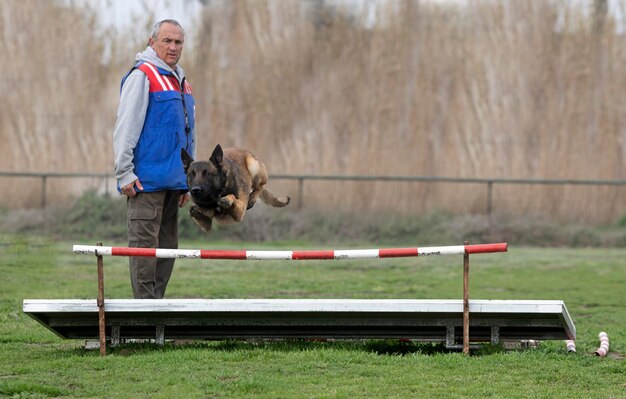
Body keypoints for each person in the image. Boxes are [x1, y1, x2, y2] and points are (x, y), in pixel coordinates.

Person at [113, 19, 196, 299]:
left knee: (167, 249)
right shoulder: (143, 75)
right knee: (144, 250)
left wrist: (188, 180)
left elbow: (186, 134)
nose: (173, 47)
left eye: (178, 42)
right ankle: (144, 314)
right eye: (167, 41)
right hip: (144, 183)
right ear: (152, 42)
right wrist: (124, 172)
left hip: (174, 183)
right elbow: (126, 128)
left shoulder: (181, 81)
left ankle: (156, 311)